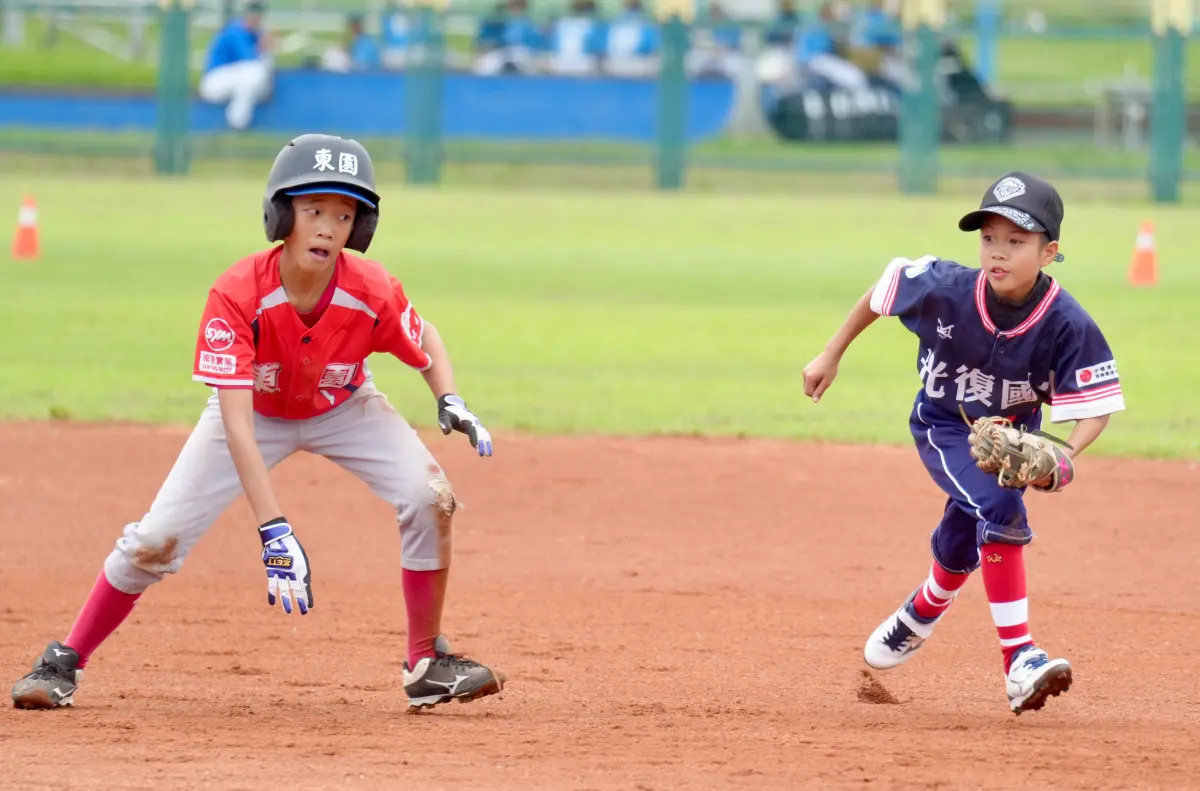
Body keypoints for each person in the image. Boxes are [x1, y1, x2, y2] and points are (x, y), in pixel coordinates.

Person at [11, 134, 507, 713]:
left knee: (430, 497)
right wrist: (274, 529)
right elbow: (238, 427)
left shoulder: (370, 288)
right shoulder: (238, 293)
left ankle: (425, 663)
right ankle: (64, 660)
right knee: (153, 540)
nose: (328, 228)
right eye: (313, 210)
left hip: (345, 406)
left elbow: (423, 336)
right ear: (282, 216)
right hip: (254, 415)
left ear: (360, 227)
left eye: (344, 215)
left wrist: (449, 397)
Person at [801, 171, 1125, 715]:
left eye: (1016, 241)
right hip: (944, 424)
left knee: (966, 529)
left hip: (1009, 440)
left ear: (1049, 253)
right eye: (989, 237)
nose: (998, 251)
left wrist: (1063, 455)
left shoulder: (1066, 323)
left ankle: (923, 609)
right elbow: (882, 292)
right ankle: (1019, 659)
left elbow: (1096, 407)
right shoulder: (945, 288)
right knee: (999, 506)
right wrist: (830, 354)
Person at [199, 0, 274, 131]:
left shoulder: (255, 33)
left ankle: (239, 121)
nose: (256, 20)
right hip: (214, 81)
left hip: (233, 81)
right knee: (253, 73)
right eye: (253, 16)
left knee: (256, 77)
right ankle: (238, 123)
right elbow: (250, 60)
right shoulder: (235, 30)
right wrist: (263, 46)